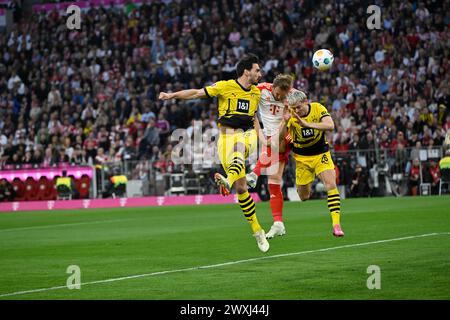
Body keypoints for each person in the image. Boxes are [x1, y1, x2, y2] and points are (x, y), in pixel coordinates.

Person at [159, 54, 269, 252]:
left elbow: (254, 117)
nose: (260, 73)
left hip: (246, 136)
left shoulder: (257, 92)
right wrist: (171, 95)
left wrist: (261, 138)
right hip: (225, 139)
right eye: (257, 70)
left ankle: (227, 180)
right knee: (242, 189)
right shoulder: (225, 87)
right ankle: (257, 230)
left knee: (239, 150)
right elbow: (195, 94)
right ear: (247, 71)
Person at [280, 89, 345, 237]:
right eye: (294, 107)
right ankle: (308, 187)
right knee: (303, 197)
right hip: (301, 158)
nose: (296, 110)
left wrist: (307, 124)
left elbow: (330, 125)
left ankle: (336, 224)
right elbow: (281, 142)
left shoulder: (317, 108)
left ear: (306, 101)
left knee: (331, 185)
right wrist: (284, 123)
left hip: (321, 153)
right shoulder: (290, 115)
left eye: (298, 107)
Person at [244, 74, 294, 239]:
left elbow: (295, 111)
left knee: (274, 143)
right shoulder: (261, 90)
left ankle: (254, 174)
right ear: (273, 86)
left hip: (287, 133)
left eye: (283, 95)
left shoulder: (291, 96)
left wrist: (272, 137)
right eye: (279, 93)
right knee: (274, 180)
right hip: (269, 136)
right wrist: (261, 136)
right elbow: (252, 113)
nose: (280, 97)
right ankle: (278, 223)